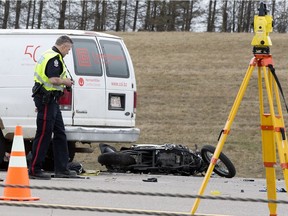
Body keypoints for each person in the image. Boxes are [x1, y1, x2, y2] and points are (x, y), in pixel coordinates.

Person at [29, 35, 76, 180]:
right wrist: (66, 82)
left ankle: (62, 169)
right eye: (68, 49)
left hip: (51, 101)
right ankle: (34, 169)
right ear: (63, 46)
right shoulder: (54, 58)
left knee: (60, 133)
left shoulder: (51, 55)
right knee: (44, 133)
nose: (68, 52)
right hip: (47, 100)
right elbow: (53, 79)